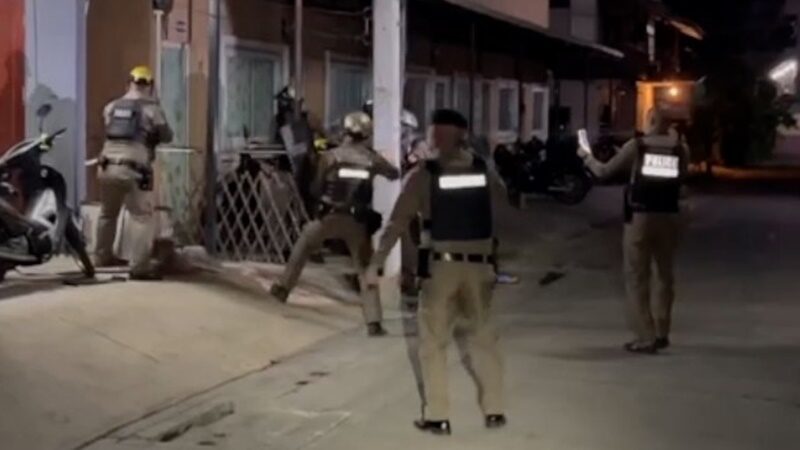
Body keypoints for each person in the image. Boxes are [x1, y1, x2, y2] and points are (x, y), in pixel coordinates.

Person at [367, 109, 508, 435]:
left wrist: (377, 262)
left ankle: (438, 416)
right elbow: (503, 209)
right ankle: (495, 410)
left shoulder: (424, 174)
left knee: (433, 342)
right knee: (484, 338)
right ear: (464, 135)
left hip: (441, 269)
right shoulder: (483, 170)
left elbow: (398, 221)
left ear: (435, 137)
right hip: (480, 267)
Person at [269, 111, 400, 337]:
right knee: (364, 269)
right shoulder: (372, 159)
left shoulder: (330, 157)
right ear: (367, 134)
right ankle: (374, 322)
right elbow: (394, 174)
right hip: (357, 223)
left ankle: (283, 288)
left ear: (345, 132)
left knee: (304, 244)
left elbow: (315, 188)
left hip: (328, 217)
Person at [578, 109, 688, 354]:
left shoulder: (637, 146)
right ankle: (662, 332)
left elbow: (603, 172)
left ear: (650, 121)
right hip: (669, 217)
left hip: (640, 217)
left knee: (637, 277)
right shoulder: (681, 148)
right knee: (665, 276)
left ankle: (645, 336)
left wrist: (586, 156)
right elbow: (680, 179)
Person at [94, 65, 173, 280]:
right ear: (150, 86)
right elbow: (167, 136)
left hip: (107, 166)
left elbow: (111, 129)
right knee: (142, 217)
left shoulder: (111, 107)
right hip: (134, 169)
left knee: (107, 213)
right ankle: (140, 267)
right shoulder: (152, 110)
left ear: (128, 83)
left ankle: (101, 257)